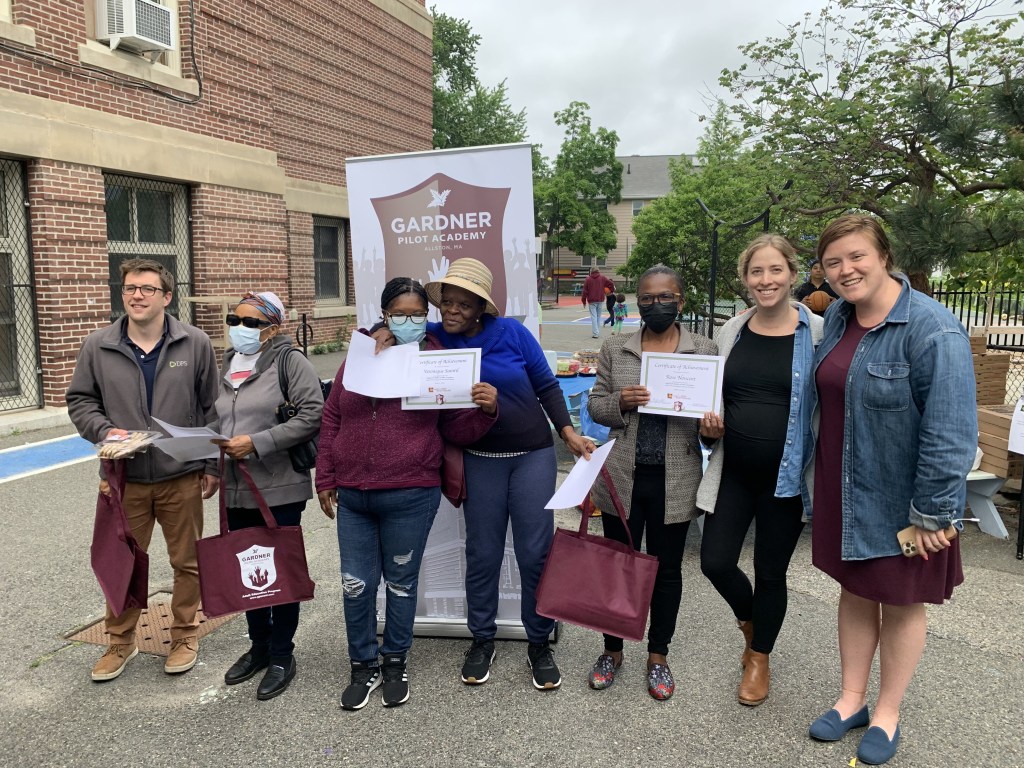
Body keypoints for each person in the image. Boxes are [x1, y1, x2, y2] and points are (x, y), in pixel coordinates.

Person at [375, 258, 595, 691]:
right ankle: (482, 639)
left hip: (531, 455)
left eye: (463, 304)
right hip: (478, 458)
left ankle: (538, 643)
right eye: (446, 304)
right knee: (483, 554)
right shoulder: (432, 336)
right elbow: (393, 329)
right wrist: (377, 331)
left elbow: (547, 386)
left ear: (481, 308)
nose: (451, 311)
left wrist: (568, 432)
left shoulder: (512, 333)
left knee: (534, 553)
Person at [806, 215, 976, 766]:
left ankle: (887, 712)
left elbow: (951, 431)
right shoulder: (837, 314)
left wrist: (932, 513)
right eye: (833, 262)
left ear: (884, 255)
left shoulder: (933, 328)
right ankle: (851, 699)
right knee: (855, 591)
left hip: (906, 500)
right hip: (844, 487)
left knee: (901, 603)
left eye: (856, 256)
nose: (845, 270)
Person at [318, 277, 498, 710]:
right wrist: (325, 476)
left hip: (411, 492)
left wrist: (486, 411)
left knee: (400, 584)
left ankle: (395, 659)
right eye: (400, 313)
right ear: (384, 315)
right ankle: (362, 665)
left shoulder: (437, 360)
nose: (409, 321)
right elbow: (332, 417)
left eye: (418, 314)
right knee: (356, 585)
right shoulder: (358, 357)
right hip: (354, 496)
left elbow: (457, 427)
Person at [66, 258, 219, 682]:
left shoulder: (195, 343)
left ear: (166, 297)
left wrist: (210, 464)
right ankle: (120, 641)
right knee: (124, 562)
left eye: (147, 289)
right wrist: (105, 431)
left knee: (186, 561)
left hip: (180, 475)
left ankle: (185, 633)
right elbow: (80, 401)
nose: (137, 295)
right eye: (130, 288)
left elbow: (210, 408)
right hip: (124, 478)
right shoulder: (98, 345)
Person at [695, 234, 824, 707]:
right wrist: (708, 430)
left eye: (775, 270)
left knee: (771, 573)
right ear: (745, 279)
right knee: (714, 562)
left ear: (792, 273)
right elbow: (714, 403)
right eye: (756, 272)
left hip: (787, 480)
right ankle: (753, 625)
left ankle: (759, 657)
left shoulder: (819, 331)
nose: (765, 280)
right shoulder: (733, 330)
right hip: (735, 472)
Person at [586, 265, 717, 700]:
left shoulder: (705, 349)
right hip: (622, 475)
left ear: (681, 301)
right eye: (647, 298)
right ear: (635, 302)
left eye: (666, 297)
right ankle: (612, 649)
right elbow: (596, 408)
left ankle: (658, 655)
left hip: (675, 478)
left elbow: (711, 422)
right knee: (615, 567)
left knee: (666, 571)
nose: (655, 305)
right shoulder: (616, 347)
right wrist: (618, 402)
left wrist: (712, 430)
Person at [211, 291, 323, 700]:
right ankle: (258, 647)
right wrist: (211, 468)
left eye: (252, 323)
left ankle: (282, 654)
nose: (240, 329)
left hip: (277, 487)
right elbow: (213, 419)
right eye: (234, 320)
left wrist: (257, 443)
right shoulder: (225, 364)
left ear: (273, 327)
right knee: (248, 572)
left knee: (280, 572)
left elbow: (314, 415)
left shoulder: (290, 362)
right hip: (235, 487)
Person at [582, 267, 615, 338]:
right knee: (598, 316)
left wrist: (584, 301)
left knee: (593, 316)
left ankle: (595, 333)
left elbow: (585, 291)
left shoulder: (588, 279)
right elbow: (611, 283)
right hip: (600, 300)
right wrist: (611, 291)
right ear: (598, 271)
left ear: (591, 272)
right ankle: (597, 332)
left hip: (592, 301)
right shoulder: (602, 278)